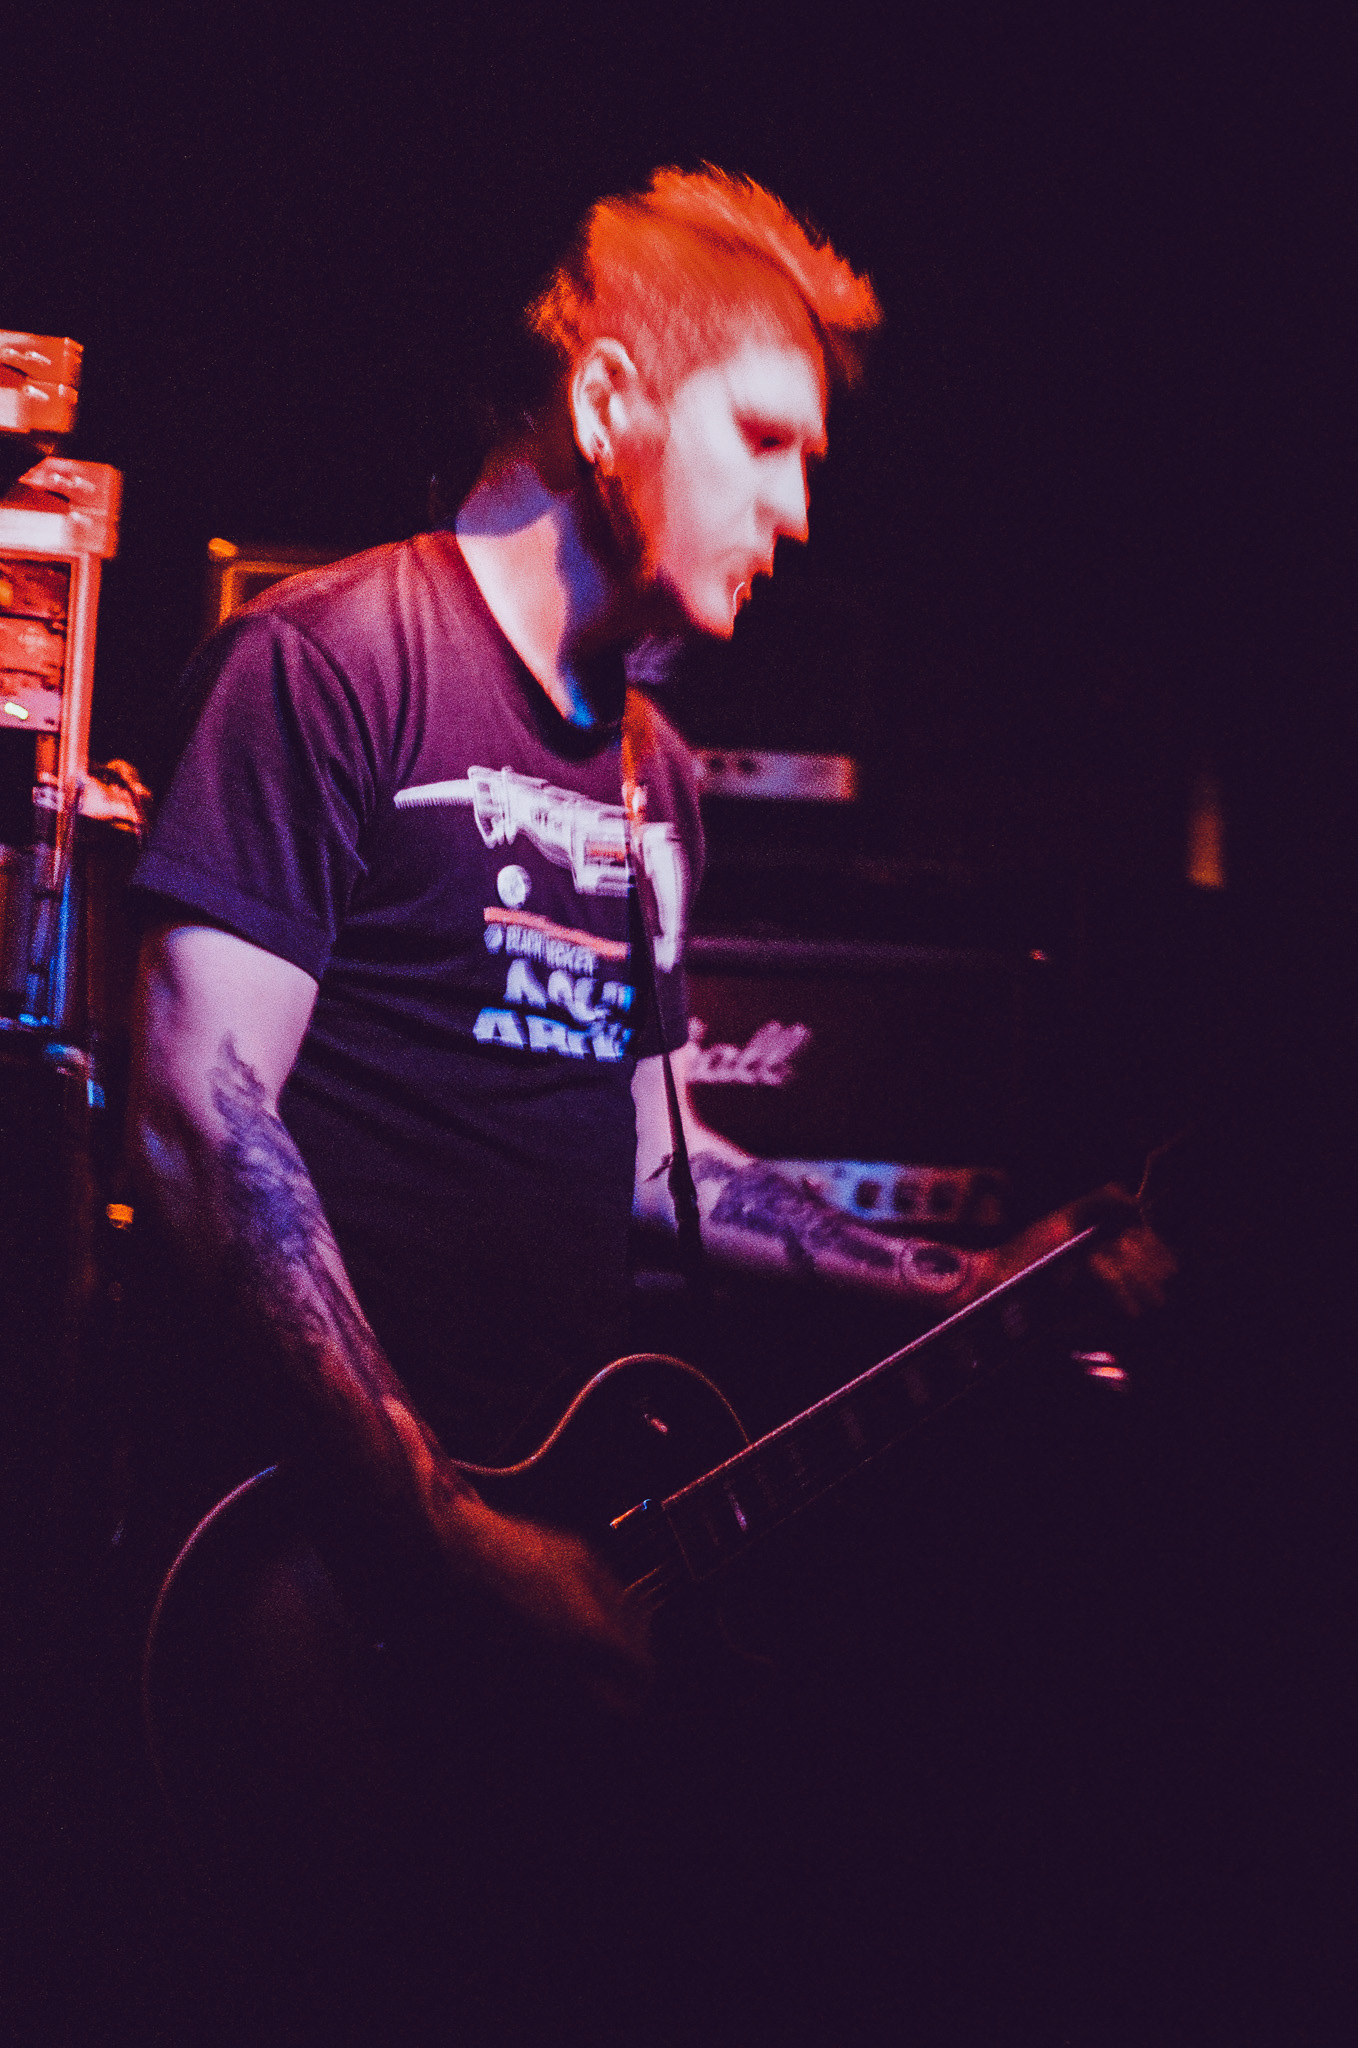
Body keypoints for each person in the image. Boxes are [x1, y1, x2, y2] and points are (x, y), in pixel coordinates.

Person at [125, 166, 1172, 2041]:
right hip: (309, 1568)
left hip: (548, 1542)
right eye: (759, 439)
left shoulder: (655, 778)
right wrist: (446, 1539)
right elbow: (204, 1127)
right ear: (609, 404)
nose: (795, 505)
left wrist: (967, 1287)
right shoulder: (333, 664)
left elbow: (652, 1152)